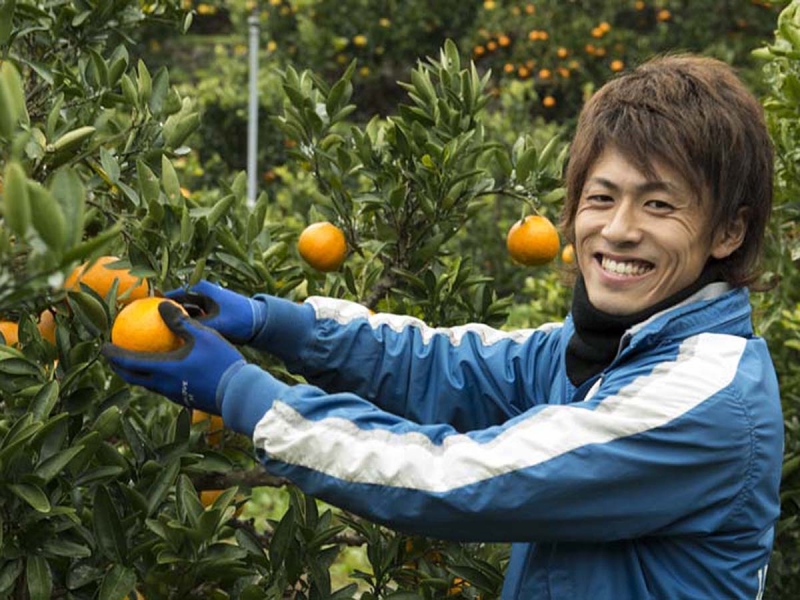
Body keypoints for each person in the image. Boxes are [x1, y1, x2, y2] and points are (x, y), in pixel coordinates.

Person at [103, 54, 783, 599]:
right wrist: (282, 324)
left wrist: (244, 395)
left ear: (728, 230)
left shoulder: (702, 399)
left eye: (659, 204)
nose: (619, 229)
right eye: (601, 197)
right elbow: (450, 366)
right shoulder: (611, 349)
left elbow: (455, 479)